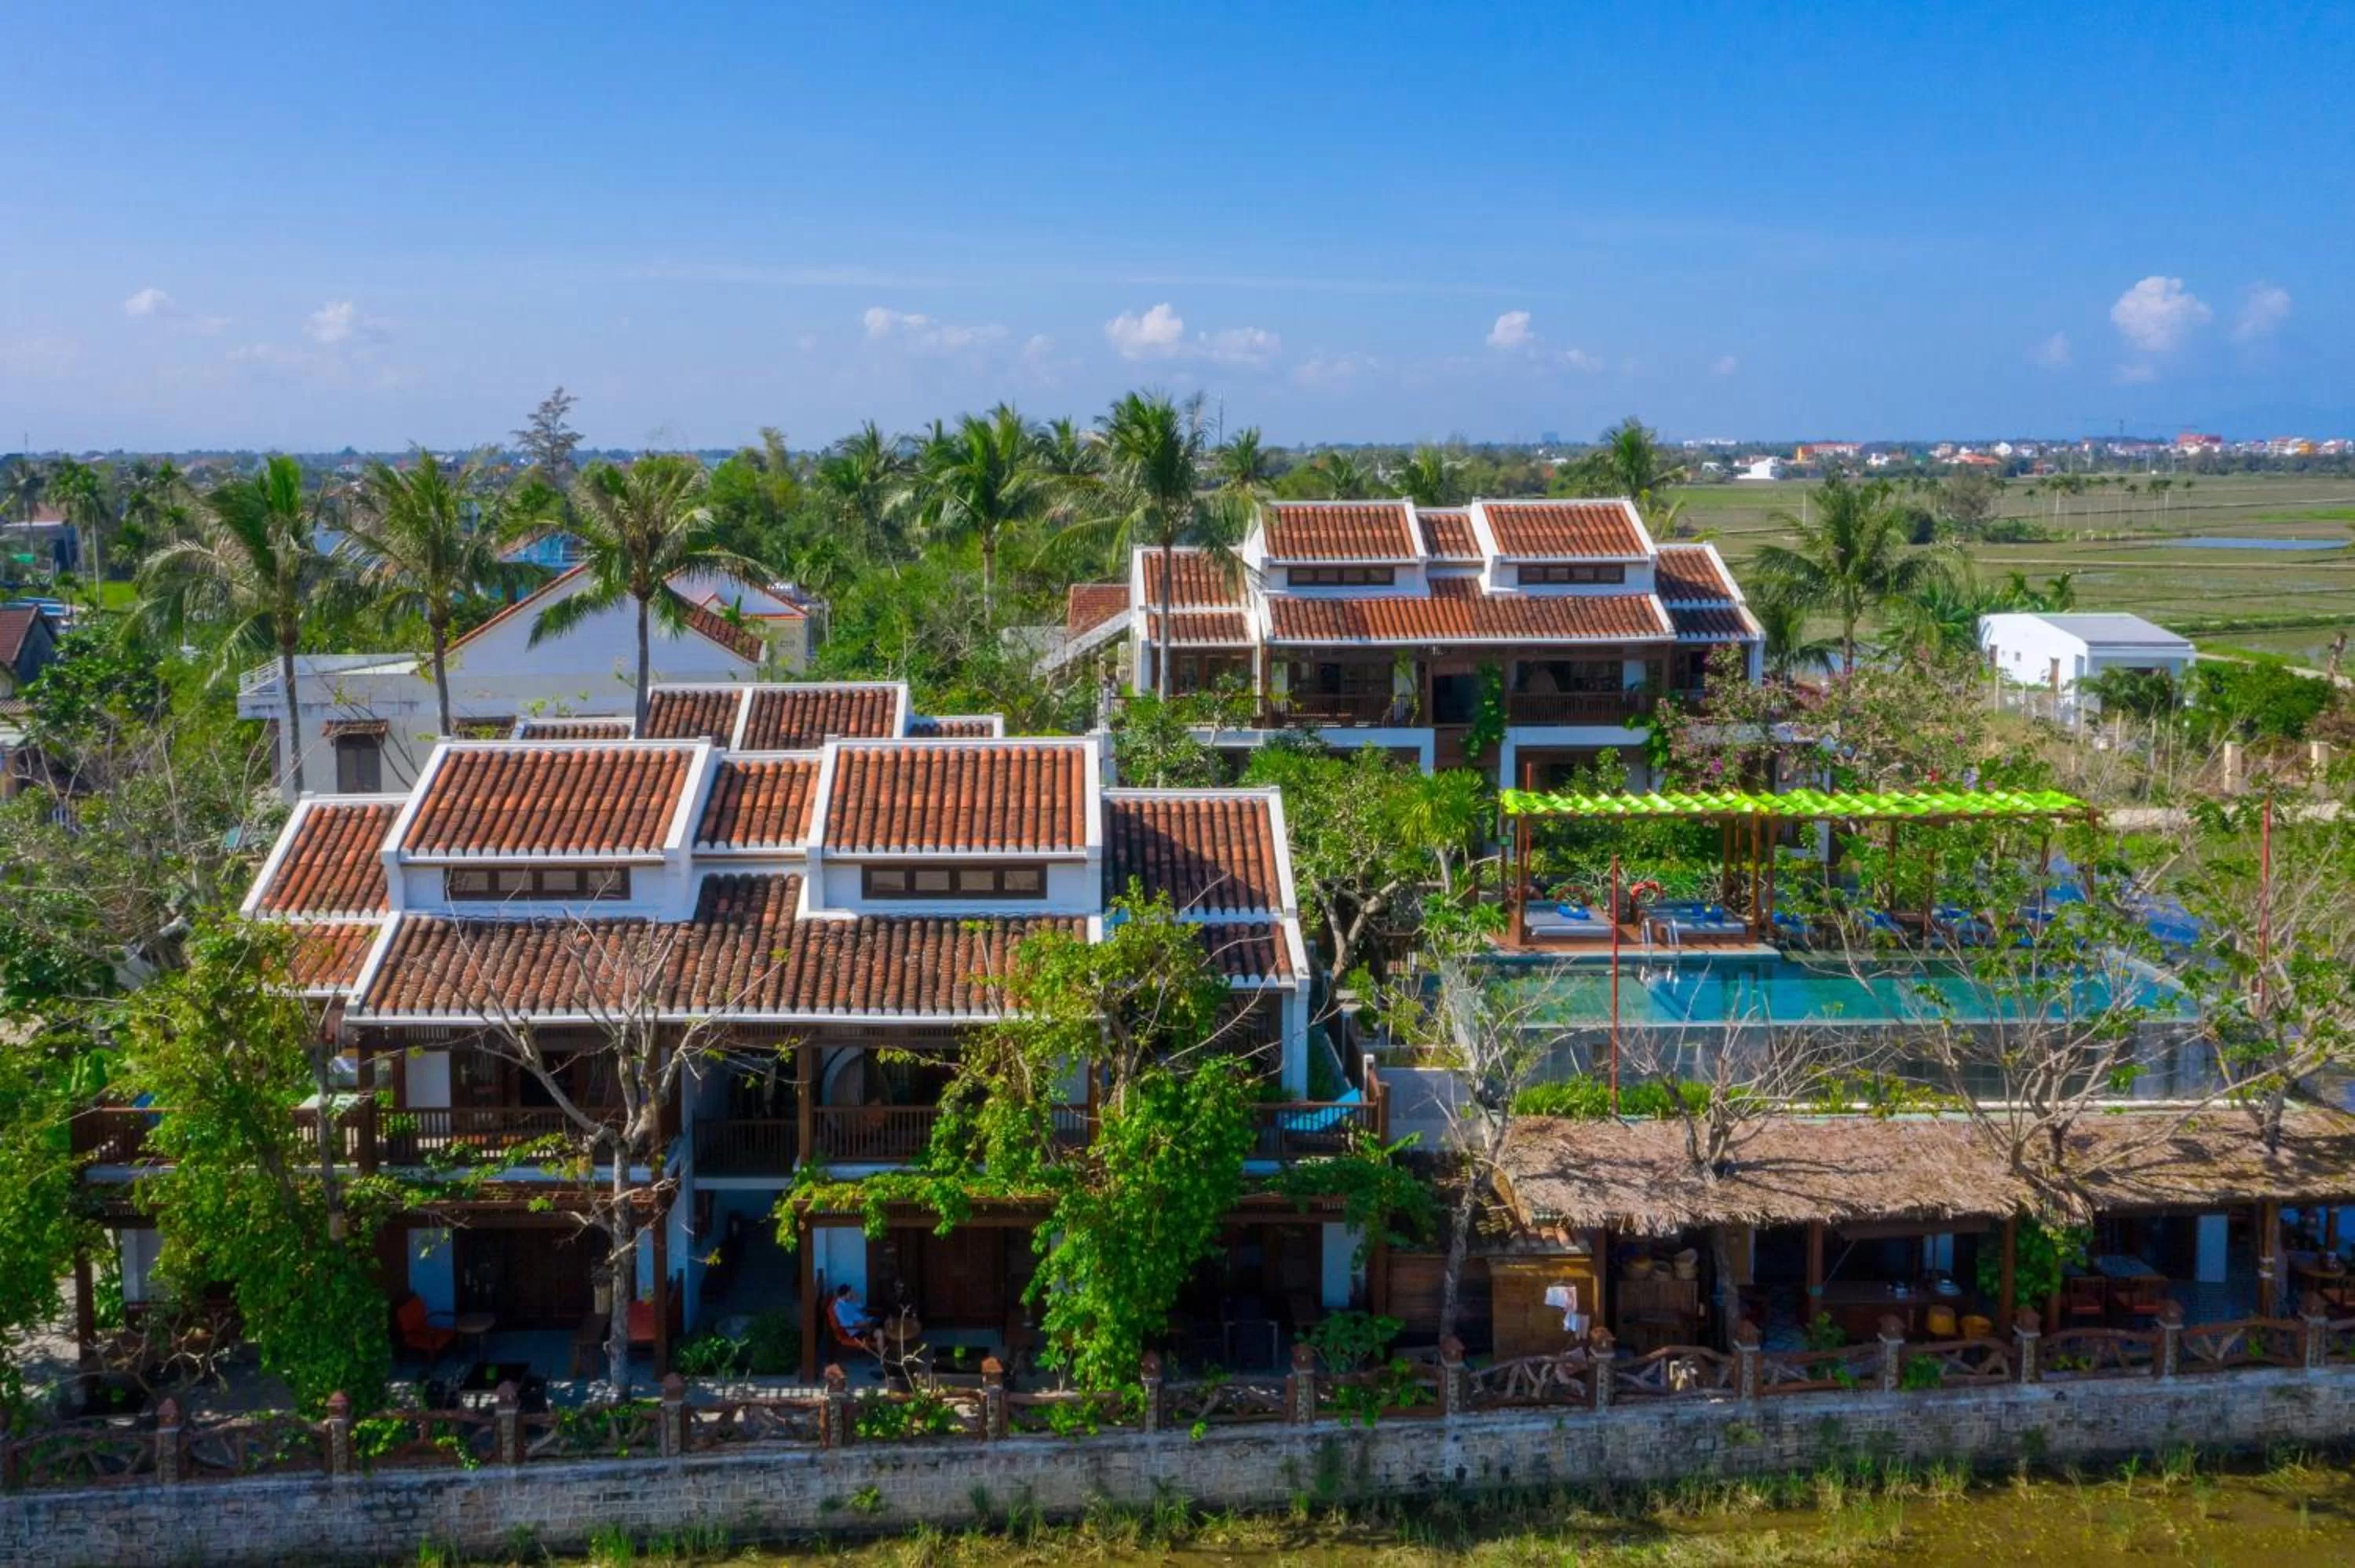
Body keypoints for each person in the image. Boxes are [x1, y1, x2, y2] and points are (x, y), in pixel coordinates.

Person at [829, 1282, 879, 1347]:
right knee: (881, 1330)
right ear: (845, 1294)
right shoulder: (839, 1307)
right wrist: (863, 1324)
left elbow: (861, 1307)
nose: (852, 1293)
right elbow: (845, 1323)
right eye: (850, 1292)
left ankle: (882, 1351)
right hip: (857, 1331)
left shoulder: (848, 1302)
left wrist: (856, 1298)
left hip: (865, 1324)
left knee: (880, 1321)